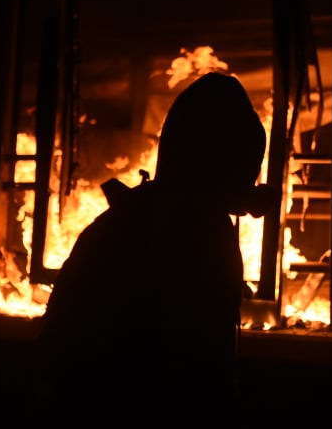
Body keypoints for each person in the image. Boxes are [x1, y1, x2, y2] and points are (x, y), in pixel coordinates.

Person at [35, 71, 276, 425]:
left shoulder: (123, 218)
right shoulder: (200, 234)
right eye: (245, 169)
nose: (249, 181)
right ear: (224, 164)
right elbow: (204, 372)